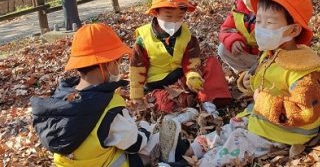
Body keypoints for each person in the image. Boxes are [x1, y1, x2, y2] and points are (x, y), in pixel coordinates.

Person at [186, 0, 320, 166]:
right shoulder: (271, 53)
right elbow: (259, 77)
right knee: (228, 130)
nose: (259, 28)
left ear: (293, 30)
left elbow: (304, 111)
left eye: (269, 23)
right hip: (259, 117)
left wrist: (264, 101)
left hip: (280, 132)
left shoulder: (306, 72)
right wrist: (246, 81)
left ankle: (196, 163)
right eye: (259, 21)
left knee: (233, 145)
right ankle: (186, 151)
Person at [31, 23, 201, 166]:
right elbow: (134, 143)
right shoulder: (108, 108)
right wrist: (144, 129)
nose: (119, 66)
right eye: (117, 62)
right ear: (105, 66)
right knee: (152, 144)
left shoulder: (61, 97)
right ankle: (194, 151)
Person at [129, 0, 231, 115]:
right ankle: (186, 102)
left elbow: (191, 59)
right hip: (158, 85)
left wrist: (192, 75)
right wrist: (137, 96)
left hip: (182, 77)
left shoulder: (187, 37)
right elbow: (137, 69)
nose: (174, 22)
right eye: (169, 16)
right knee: (164, 102)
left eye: (179, 17)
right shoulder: (143, 40)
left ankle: (209, 100)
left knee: (211, 62)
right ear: (155, 12)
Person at [217, 0, 287, 74]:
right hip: (249, 55)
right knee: (223, 49)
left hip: (272, 57)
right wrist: (233, 40)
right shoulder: (238, 8)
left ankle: (264, 75)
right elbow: (226, 28)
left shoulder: (278, 9)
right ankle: (245, 75)